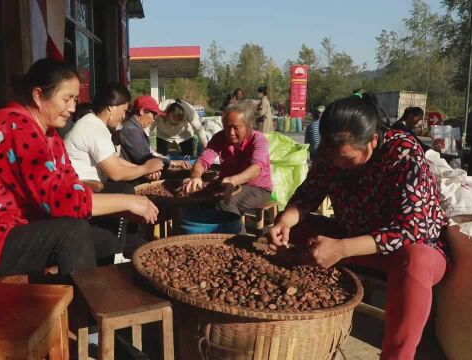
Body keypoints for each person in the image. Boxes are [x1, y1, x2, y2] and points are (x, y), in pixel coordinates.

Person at [267, 93, 447, 360]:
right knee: (294, 228)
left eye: (347, 159)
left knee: (416, 259)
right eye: (333, 158)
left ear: (372, 140)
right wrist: (284, 221)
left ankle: (397, 356)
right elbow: (307, 197)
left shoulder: (404, 153)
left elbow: (413, 228)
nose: (338, 165)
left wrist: (342, 248)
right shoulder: (331, 155)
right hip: (352, 236)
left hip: (404, 250)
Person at [0, 58, 159, 281]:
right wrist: (127, 202)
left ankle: (105, 286)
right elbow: (60, 199)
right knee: (73, 232)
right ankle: (89, 306)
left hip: (22, 227)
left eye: (75, 99)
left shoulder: (49, 134)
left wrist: (120, 204)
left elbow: (70, 184)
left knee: (106, 221)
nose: (72, 108)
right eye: (66, 99)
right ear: (39, 96)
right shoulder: (16, 129)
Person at [185, 101, 272, 224]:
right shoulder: (219, 138)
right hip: (227, 184)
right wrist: (195, 176)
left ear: (248, 126)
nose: (231, 133)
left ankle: (238, 240)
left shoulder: (258, 140)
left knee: (225, 202)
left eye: (236, 128)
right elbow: (203, 161)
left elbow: (256, 169)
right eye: (227, 127)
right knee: (198, 197)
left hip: (257, 187)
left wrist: (233, 180)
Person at [65, 82, 164, 184]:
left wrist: (144, 169)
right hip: (82, 189)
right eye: (123, 110)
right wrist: (145, 169)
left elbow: (114, 160)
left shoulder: (94, 123)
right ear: (111, 107)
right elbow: (116, 173)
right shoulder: (94, 128)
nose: (123, 116)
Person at [119, 95, 190, 174]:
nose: (154, 119)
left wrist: (171, 162)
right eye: (154, 115)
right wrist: (172, 162)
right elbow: (144, 159)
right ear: (142, 111)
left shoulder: (137, 128)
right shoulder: (132, 131)